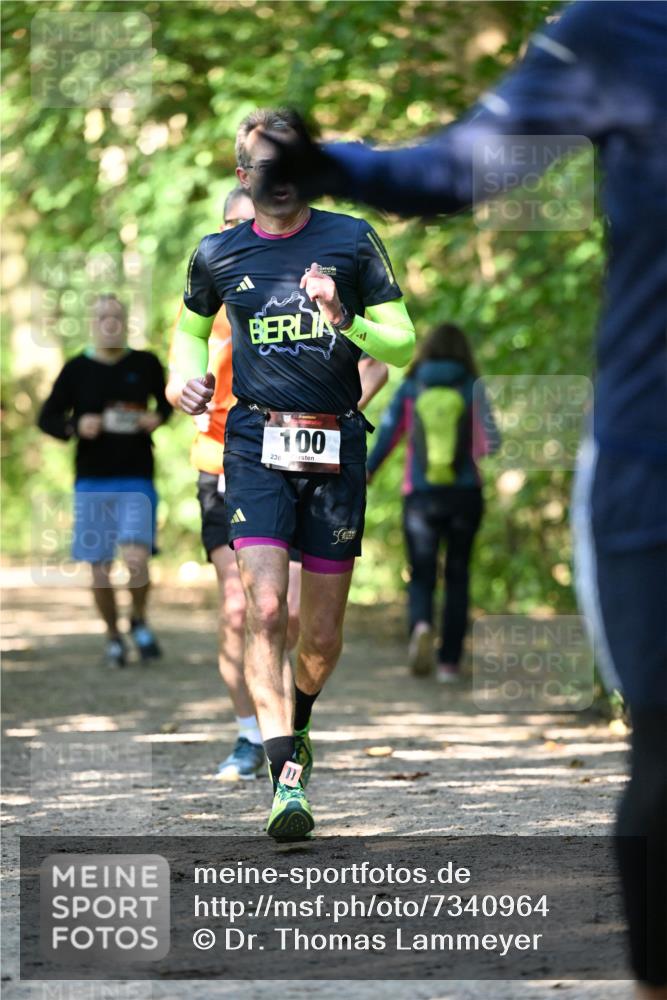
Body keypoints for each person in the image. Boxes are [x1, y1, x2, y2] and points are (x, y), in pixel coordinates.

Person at [267, 2, 667, 994]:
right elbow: (467, 166)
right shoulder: (620, 30)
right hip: (652, 464)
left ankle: (434, 637)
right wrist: (336, 164)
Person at [171, 107, 414, 840]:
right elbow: (186, 332)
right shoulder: (217, 254)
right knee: (264, 610)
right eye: (262, 169)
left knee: (320, 637)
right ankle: (284, 779)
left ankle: (297, 724)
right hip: (253, 446)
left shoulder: (350, 239)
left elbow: (400, 343)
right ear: (243, 175)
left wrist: (344, 317)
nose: (276, 182)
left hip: (334, 447)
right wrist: (182, 382)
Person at [38, 294, 171, 668]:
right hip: (92, 480)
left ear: (125, 321)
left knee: (137, 559)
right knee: (98, 567)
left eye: (116, 317)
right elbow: (46, 418)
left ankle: (139, 620)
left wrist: (157, 418)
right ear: (92, 323)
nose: (110, 323)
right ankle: (114, 636)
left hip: (137, 476)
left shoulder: (145, 364)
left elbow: (166, 404)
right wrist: (75, 425)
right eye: (103, 317)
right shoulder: (76, 369)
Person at [367, 323, 499, 682]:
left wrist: (367, 472)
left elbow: (389, 434)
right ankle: (449, 664)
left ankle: (422, 625)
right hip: (465, 494)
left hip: (420, 496)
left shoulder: (412, 386)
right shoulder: (473, 387)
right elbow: (491, 444)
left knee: (422, 575)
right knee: (458, 575)